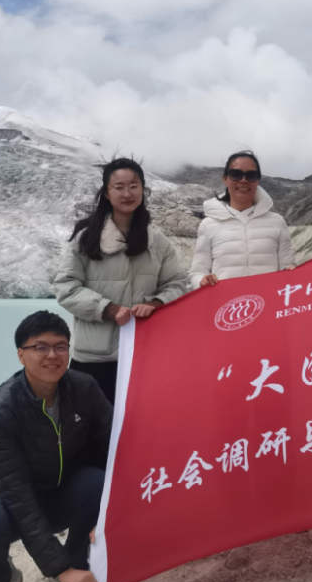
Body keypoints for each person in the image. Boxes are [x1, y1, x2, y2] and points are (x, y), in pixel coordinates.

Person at [0, 310, 113, 582]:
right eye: (40, 347)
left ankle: (78, 561)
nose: (52, 355)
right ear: (21, 355)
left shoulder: (84, 388)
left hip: (61, 489)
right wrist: (57, 567)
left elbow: (118, 445)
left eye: (60, 346)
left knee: (98, 484)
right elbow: (16, 493)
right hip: (6, 497)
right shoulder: (2, 408)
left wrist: (110, 515)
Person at [54, 157, 189, 405]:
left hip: (144, 355)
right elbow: (66, 288)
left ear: (142, 190)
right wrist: (109, 309)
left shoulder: (158, 242)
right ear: (107, 193)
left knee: (142, 424)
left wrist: (157, 303)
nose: (127, 193)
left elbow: (177, 284)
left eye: (133, 186)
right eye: (119, 187)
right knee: (93, 427)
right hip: (94, 359)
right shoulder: (86, 239)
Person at [190, 151, 295, 289]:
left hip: (269, 298)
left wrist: (291, 272)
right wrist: (201, 281)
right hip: (227, 301)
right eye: (236, 174)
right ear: (225, 179)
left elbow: (287, 267)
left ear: (258, 180)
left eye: (251, 175)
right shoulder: (208, 225)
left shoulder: (277, 222)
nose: (243, 180)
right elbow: (197, 272)